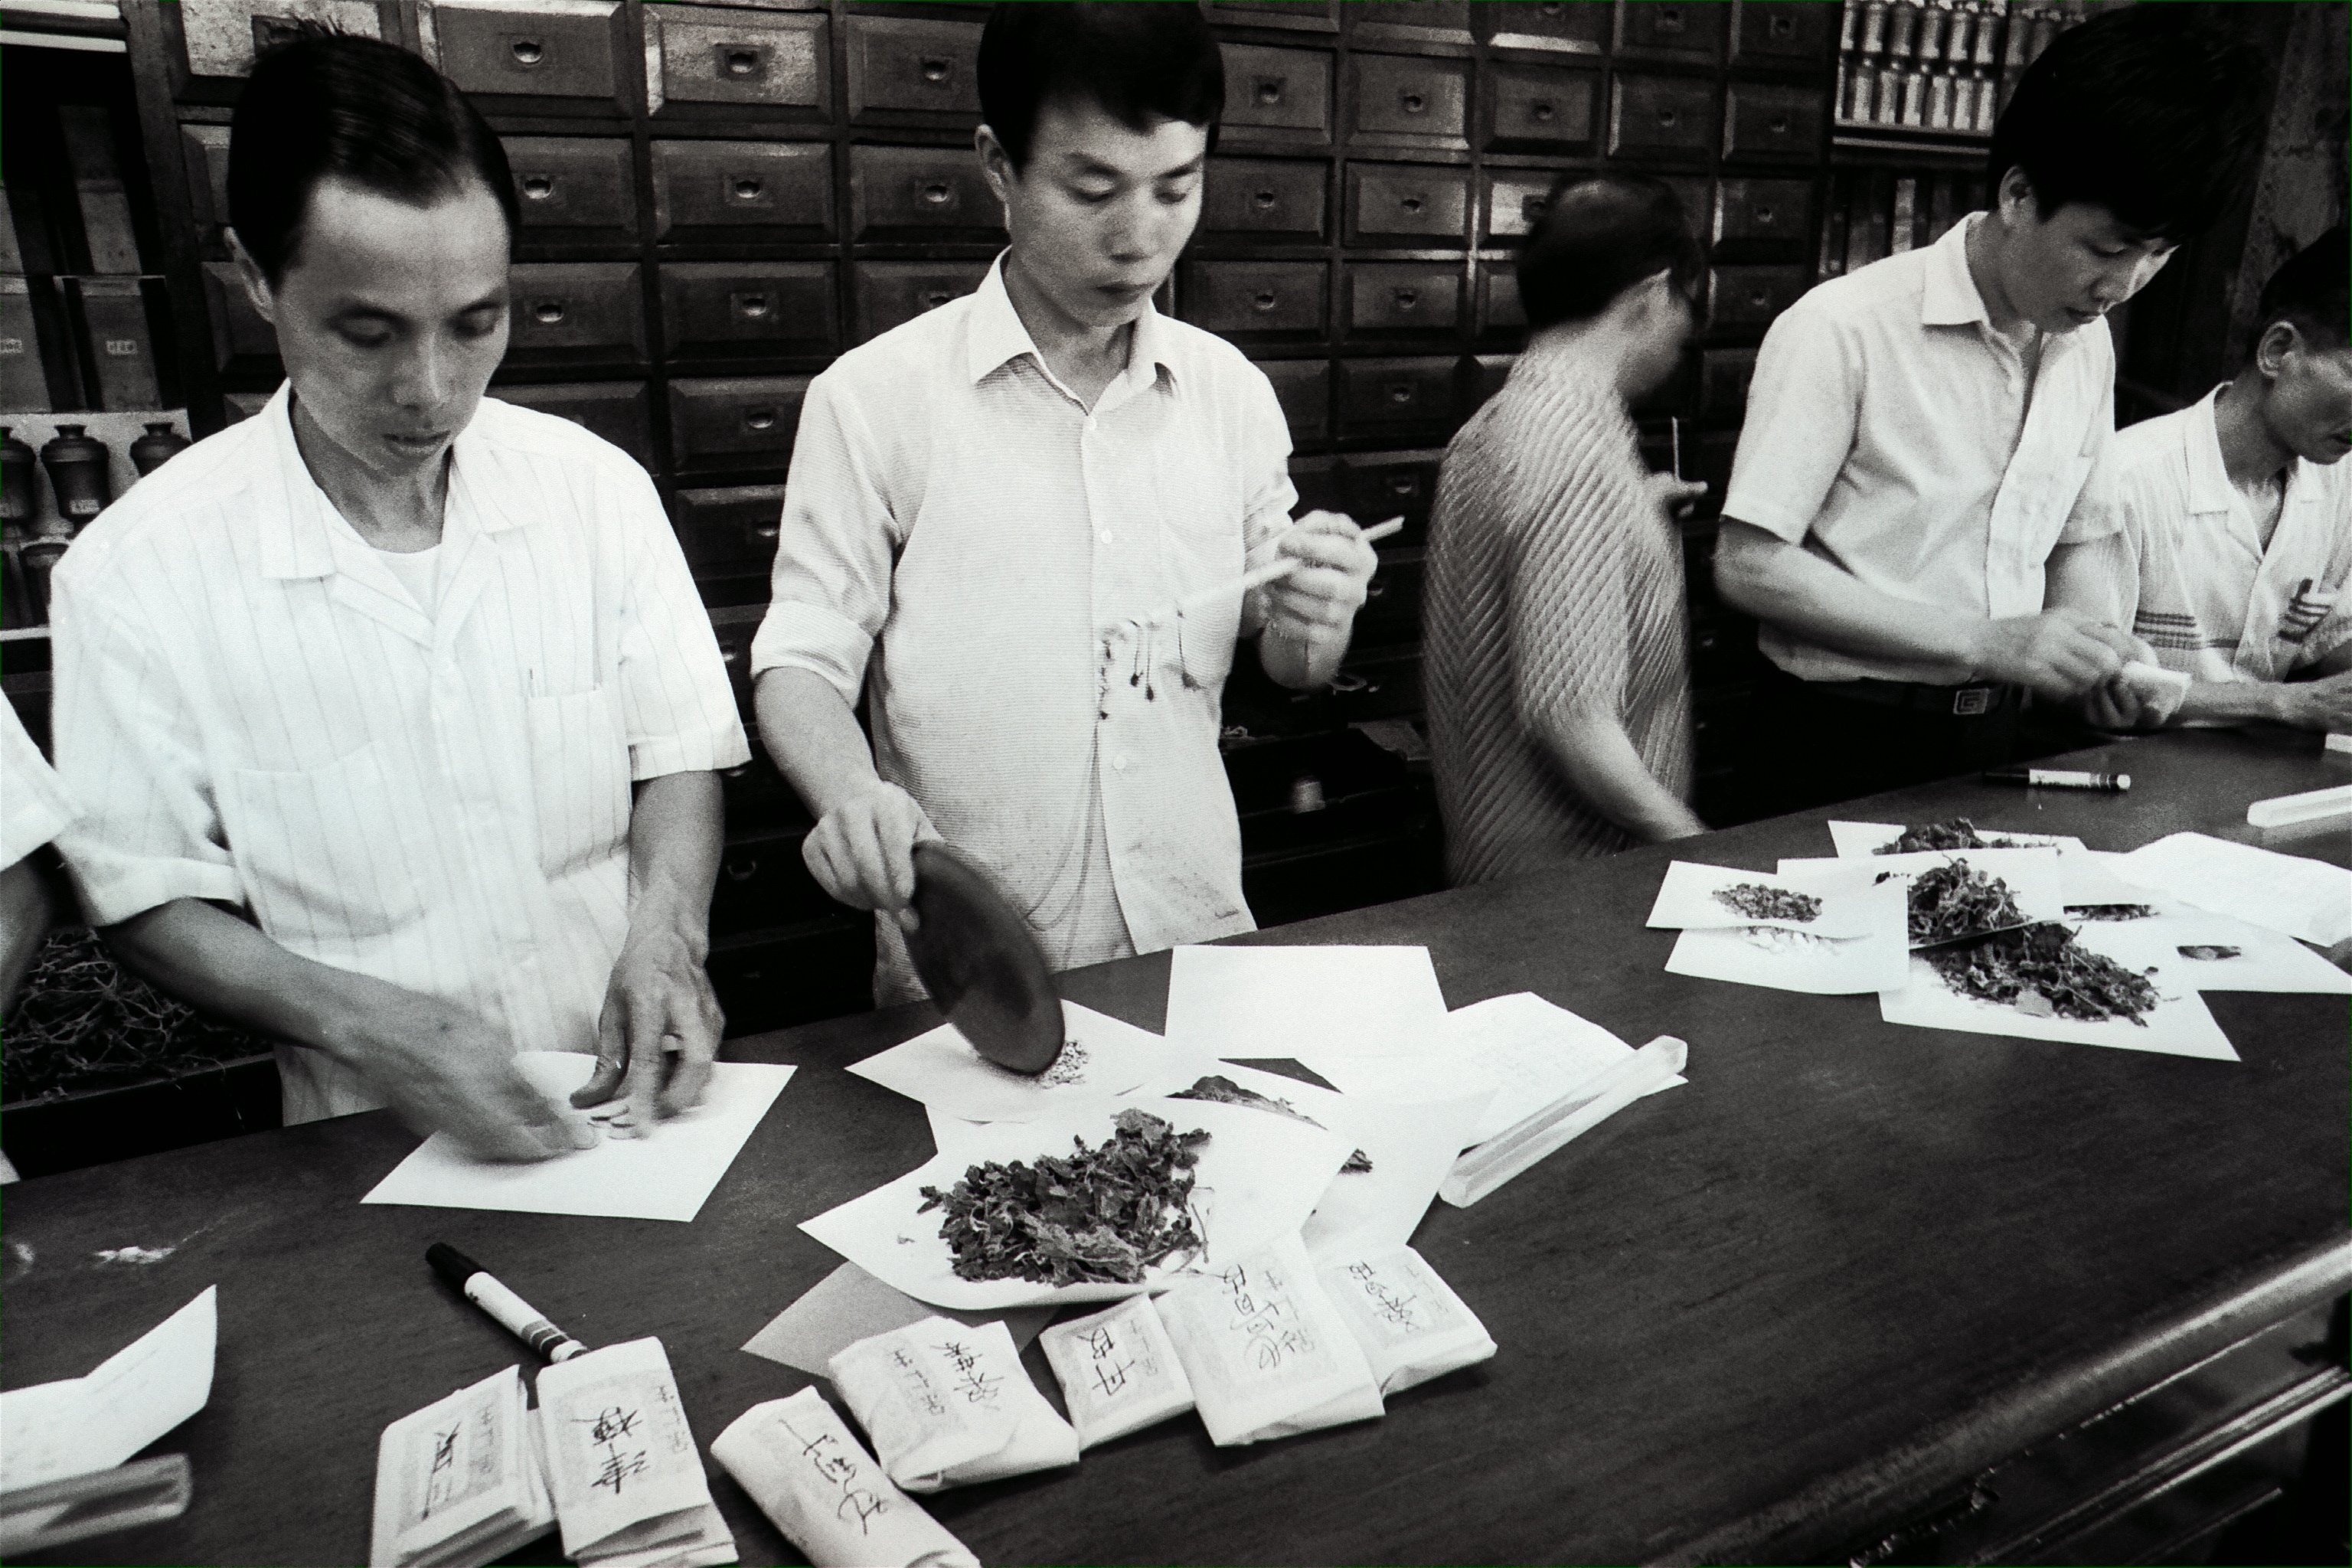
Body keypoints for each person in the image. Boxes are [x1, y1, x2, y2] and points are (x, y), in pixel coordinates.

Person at [48, 33, 748, 1158]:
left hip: (642, 1117)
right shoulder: (139, 575)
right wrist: (365, 1024)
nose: (431, 392)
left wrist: (668, 931)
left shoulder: (592, 492)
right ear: (255, 278)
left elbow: (674, 754)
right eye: (367, 333)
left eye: (477, 324)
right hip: (371, 1146)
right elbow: (147, 899)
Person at [751, 2, 1381, 1004]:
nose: (1140, 238)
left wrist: (1318, 620)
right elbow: (799, 662)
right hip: (976, 969)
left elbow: (1290, 660)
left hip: (1197, 940)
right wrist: (853, 795)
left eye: (1176, 188)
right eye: (1093, 190)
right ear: (999, 167)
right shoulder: (874, 401)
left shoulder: (1230, 396)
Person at [1712, 4, 2267, 811]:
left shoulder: (2084, 345)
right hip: (1840, 733)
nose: (2123, 286)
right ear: (2017, 194)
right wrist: (1991, 639)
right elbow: (1750, 563)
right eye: (2106, 249)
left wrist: (2094, 657)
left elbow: (2076, 536)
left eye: (2160, 255)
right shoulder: (1844, 326)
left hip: (1988, 740)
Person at [1424, 174, 1712, 886]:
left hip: (1504, 870)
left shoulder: (1496, 425)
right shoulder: (1574, 447)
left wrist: (1632, 513)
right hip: (1580, 883)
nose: (1685, 340)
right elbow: (1572, 719)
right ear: (1652, 295)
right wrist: (1696, 850)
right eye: (1687, 309)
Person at [2052, 227, 2352, 732]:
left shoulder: (2340, 484)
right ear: (2278, 351)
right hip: (2121, 778)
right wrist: (2281, 703)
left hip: (2259, 784)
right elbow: (2089, 683)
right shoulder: (2128, 479)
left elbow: (2334, 644)